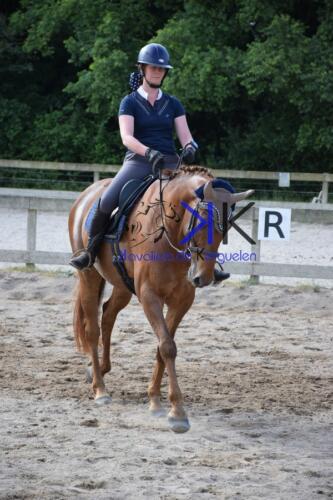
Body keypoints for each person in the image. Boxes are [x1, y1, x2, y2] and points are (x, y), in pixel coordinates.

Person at [69, 43, 229, 282]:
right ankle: (89, 251)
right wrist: (147, 151)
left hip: (171, 164)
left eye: (161, 69)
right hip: (139, 161)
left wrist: (190, 148)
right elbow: (127, 137)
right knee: (108, 199)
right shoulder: (129, 102)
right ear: (142, 69)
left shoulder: (173, 103)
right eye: (153, 68)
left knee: (205, 204)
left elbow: (186, 136)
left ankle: (209, 264)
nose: (157, 72)